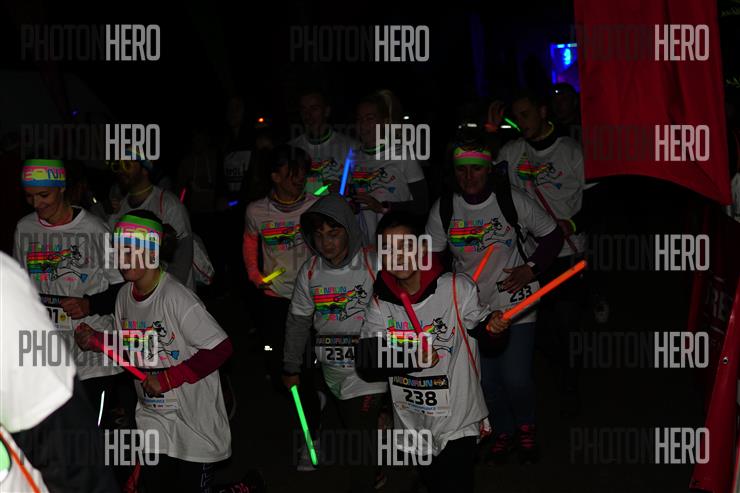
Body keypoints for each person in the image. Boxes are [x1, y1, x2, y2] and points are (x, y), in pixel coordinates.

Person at [425, 140, 563, 463]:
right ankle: (502, 430)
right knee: (486, 379)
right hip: (472, 308)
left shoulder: (511, 200)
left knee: (515, 376)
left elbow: (553, 236)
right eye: (461, 169)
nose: (468, 176)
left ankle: (526, 427)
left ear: (489, 169)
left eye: (476, 168)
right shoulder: (444, 208)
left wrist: (531, 269)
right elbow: (430, 260)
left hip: (515, 299)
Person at [75, 210, 233, 492]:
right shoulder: (124, 296)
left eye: (130, 251)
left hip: (193, 423)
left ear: (152, 251)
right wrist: (97, 339)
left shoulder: (176, 297)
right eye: (118, 252)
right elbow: (134, 347)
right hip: (154, 420)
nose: (122, 260)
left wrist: (168, 379)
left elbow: (221, 348)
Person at [357, 212, 511, 493]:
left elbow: (487, 338)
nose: (398, 255)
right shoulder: (380, 303)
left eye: (406, 245)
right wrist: (411, 357)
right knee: (432, 480)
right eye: (388, 248)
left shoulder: (455, 288)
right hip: (413, 419)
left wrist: (495, 329)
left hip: (458, 418)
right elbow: (366, 361)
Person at [282, 194, 388, 485]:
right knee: (355, 425)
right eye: (319, 235)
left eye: (333, 233)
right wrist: (290, 366)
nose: (326, 242)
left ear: (349, 230)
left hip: (369, 371)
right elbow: (298, 322)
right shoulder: (310, 272)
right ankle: (376, 454)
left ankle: (366, 476)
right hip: (333, 371)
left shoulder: (373, 263)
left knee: (358, 436)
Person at [498, 89, 591, 417]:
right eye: (516, 116)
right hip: (531, 257)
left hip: (567, 253)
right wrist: (489, 134)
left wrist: (571, 224)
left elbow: (597, 202)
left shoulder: (571, 151)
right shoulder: (512, 151)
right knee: (543, 328)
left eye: (525, 114)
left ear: (542, 112)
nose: (520, 121)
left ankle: (572, 391)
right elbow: (479, 182)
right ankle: (558, 380)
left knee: (567, 324)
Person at [13, 159, 126, 423]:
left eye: (44, 195)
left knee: (88, 434)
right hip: (48, 354)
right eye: (29, 196)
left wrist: (89, 304)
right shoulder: (25, 229)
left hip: (91, 355)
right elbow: (21, 286)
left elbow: (123, 290)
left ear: (62, 187)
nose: (36, 203)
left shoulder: (94, 230)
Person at [1, 250, 118, 492]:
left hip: (88, 367)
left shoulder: (3, 288)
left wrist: (91, 306)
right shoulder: (24, 234)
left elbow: (68, 451)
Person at [243, 145, 318, 384]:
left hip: (311, 293)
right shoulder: (256, 211)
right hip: (276, 294)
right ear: (275, 176)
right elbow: (249, 241)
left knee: (309, 353)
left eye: (303, 171)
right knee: (278, 351)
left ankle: (312, 395)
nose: (300, 178)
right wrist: (254, 274)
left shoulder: (316, 205)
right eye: (293, 172)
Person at [108, 148, 196, 290]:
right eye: (118, 165)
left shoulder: (168, 205)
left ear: (145, 169)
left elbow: (182, 257)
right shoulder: (119, 210)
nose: (121, 171)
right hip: (140, 295)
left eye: (127, 165)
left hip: (171, 294)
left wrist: (164, 294)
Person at [348, 91, 429, 245]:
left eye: (370, 118)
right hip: (366, 248)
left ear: (384, 122)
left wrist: (383, 207)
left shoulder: (403, 154)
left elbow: (422, 205)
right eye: (359, 119)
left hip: (399, 245)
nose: (363, 124)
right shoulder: (353, 158)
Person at [289, 88, 360, 196]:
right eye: (304, 110)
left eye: (314, 109)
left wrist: (346, 189)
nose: (308, 115)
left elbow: (366, 187)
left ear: (326, 111)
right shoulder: (291, 149)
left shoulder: (351, 146)